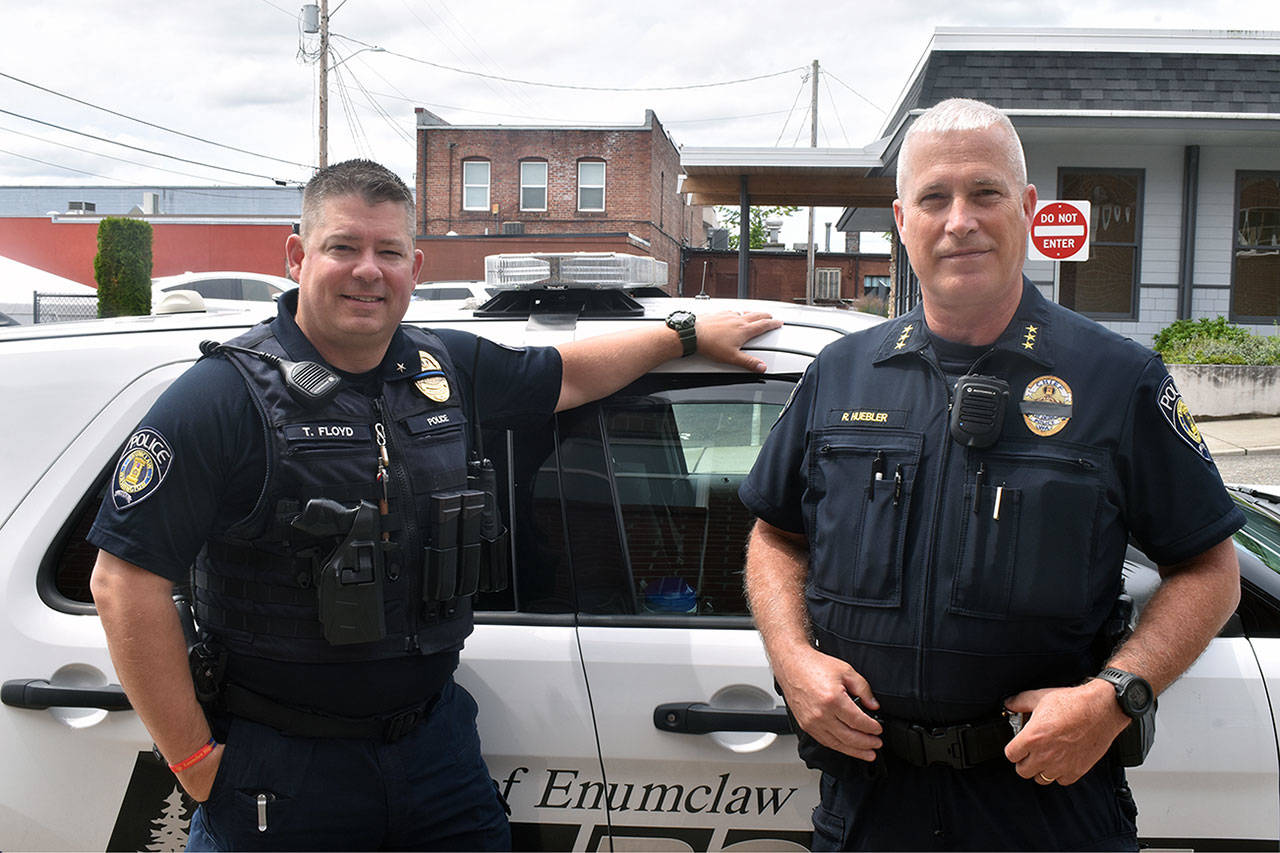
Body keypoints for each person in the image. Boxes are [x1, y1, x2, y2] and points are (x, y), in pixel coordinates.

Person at [88, 158, 780, 851]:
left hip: (434, 755)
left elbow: (566, 376)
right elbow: (123, 581)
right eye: (344, 247)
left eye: (388, 252)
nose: (369, 270)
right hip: (284, 769)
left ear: (414, 266)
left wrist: (683, 336)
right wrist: (193, 761)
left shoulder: (442, 366)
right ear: (297, 255)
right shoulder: (223, 397)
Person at [740, 99, 1243, 851]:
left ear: (1029, 208)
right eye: (934, 198)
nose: (960, 220)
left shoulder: (1118, 378)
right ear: (902, 220)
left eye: (985, 193)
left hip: (1044, 805)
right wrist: (792, 656)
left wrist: (1115, 697)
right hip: (871, 806)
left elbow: (1210, 569)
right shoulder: (840, 374)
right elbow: (776, 536)